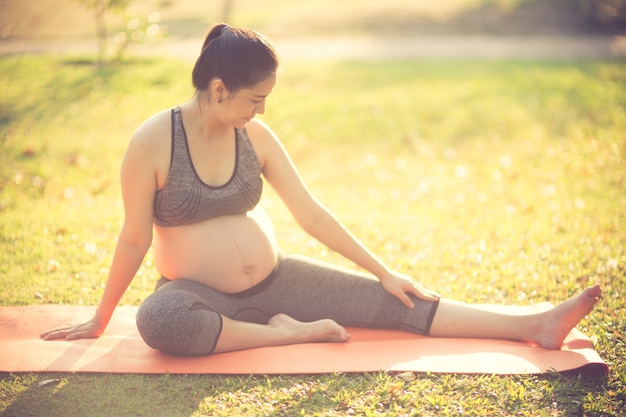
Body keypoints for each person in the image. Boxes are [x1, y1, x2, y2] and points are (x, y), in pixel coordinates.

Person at [40, 24, 601, 356]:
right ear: (218, 89)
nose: (262, 109)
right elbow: (134, 238)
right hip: (198, 294)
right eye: (254, 98)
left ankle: (535, 324)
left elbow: (311, 213)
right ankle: (285, 335)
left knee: (398, 299)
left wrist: (383, 270)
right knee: (157, 321)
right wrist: (99, 316)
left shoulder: (253, 135)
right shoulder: (152, 143)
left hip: (279, 278)